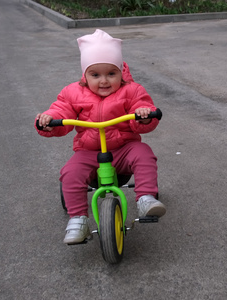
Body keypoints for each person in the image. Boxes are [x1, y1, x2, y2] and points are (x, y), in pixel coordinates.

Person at [35, 29, 166, 245]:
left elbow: (142, 104)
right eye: (95, 75)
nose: (104, 81)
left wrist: (144, 115)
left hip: (124, 149)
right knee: (70, 173)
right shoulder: (73, 93)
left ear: (121, 73)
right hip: (89, 152)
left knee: (144, 155)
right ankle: (78, 218)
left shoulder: (131, 91)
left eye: (111, 74)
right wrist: (50, 120)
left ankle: (145, 198)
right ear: (85, 75)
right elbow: (62, 110)